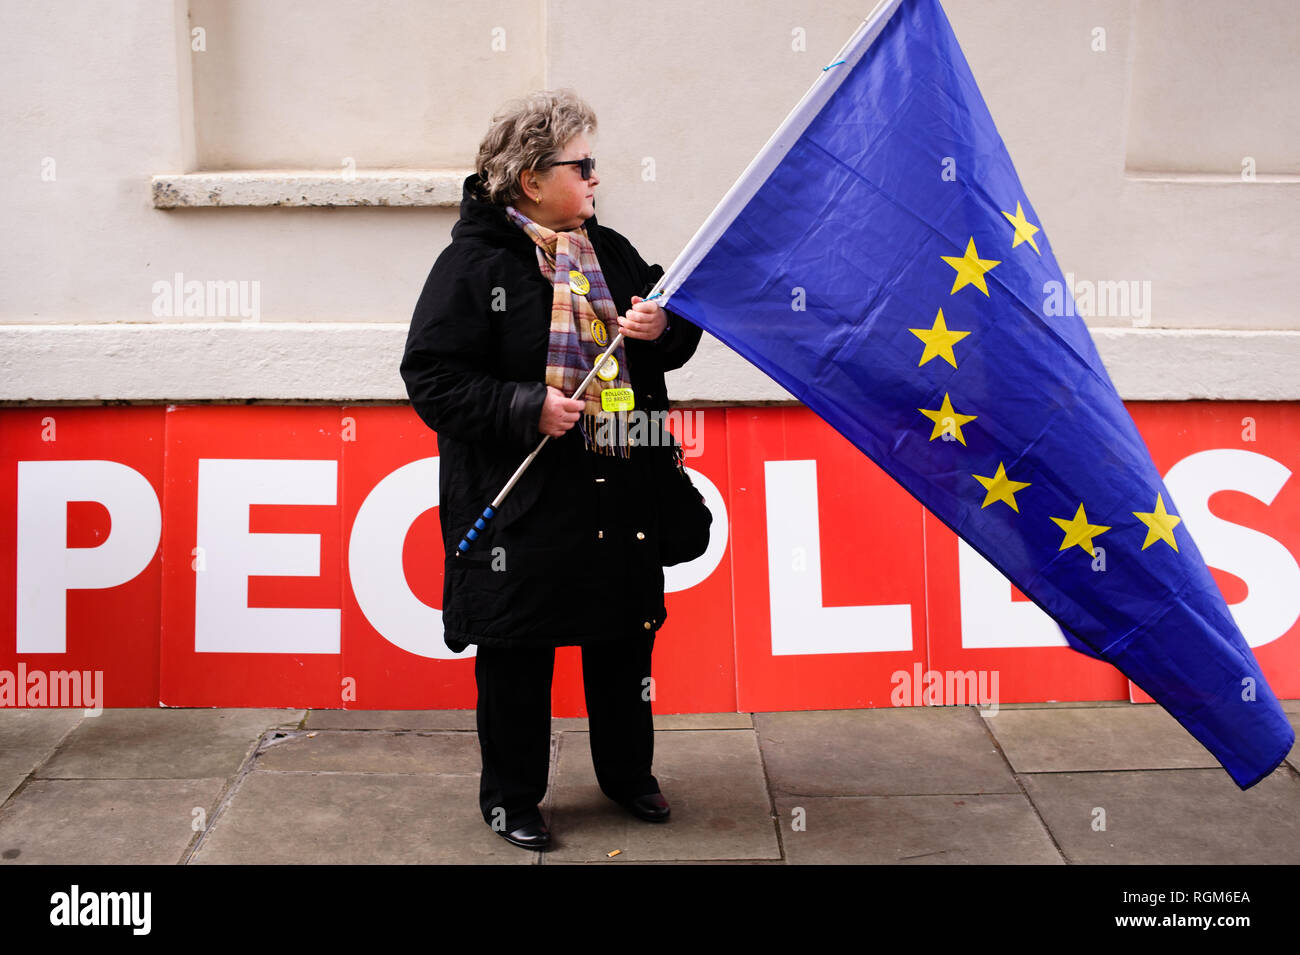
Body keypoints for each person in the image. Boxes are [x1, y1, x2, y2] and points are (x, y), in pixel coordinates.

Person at [399, 89, 703, 851]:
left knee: (623, 643)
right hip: (526, 500)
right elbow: (431, 376)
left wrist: (662, 325)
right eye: (583, 165)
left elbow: (672, 333)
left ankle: (629, 777)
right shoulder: (471, 265)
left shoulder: (611, 249)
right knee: (518, 653)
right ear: (532, 179)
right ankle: (512, 799)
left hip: (620, 482)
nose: (597, 178)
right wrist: (524, 406)